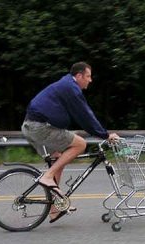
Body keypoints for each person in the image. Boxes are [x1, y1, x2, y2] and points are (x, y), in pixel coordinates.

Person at [22, 62, 119, 223]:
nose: (90, 80)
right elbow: (85, 116)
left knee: (58, 159)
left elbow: (80, 116)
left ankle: (54, 208)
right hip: (38, 127)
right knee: (80, 144)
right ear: (79, 76)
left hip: (31, 126)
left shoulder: (66, 84)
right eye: (88, 76)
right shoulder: (71, 88)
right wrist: (105, 135)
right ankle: (47, 177)